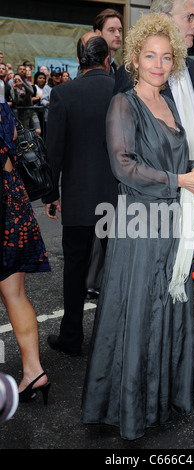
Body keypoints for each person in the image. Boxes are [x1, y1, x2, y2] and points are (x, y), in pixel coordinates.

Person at [81, 12, 194, 441]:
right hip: (139, 229)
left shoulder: (168, 102)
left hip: (172, 226)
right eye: (151, 56)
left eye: (167, 57)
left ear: (174, 61)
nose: (159, 64)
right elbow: (124, 167)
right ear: (135, 58)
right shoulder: (125, 103)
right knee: (137, 314)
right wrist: (179, 180)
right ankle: (129, 407)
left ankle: (159, 400)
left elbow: (171, 157)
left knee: (167, 306)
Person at [44, 36, 118, 357]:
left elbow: (54, 151)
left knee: (75, 269)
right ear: (106, 60)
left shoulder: (64, 94)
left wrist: (50, 193)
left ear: (79, 60)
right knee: (116, 271)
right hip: (116, 199)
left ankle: (71, 337)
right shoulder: (121, 91)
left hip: (77, 197)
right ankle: (115, 338)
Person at [114, 0, 194, 164]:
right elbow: (122, 151)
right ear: (165, 19)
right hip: (155, 186)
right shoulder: (133, 72)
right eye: (189, 17)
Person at [0, 99, 51, 404]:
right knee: (14, 294)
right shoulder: (4, 109)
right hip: (13, 202)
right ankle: (34, 371)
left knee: (13, 294)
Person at [93, 8, 123, 76]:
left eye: (120, 30)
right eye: (111, 30)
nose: (118, 35)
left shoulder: (113, 65)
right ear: (98, 34)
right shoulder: (92, 66)